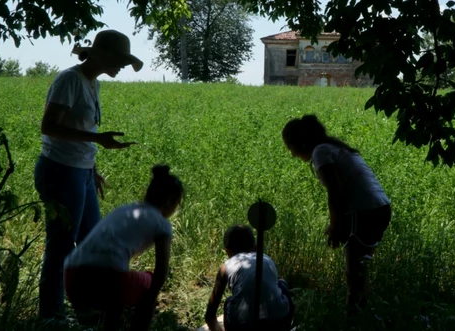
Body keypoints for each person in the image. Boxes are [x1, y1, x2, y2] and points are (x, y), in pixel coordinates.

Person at [34, 29, 142, 319]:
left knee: (92, 240)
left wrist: (92, 170)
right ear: (103, 57)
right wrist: (98, 141)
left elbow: (83, 128)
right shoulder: (69, 79)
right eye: (119, 60)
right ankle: (51, 315)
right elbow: (49, 126)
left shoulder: (92, 83)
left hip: (80, 172)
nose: (121, 66)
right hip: (60, 170)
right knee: (60, 244)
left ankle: (86, 307)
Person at [282, 115, 391, 314]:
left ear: (301, 143)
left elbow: (335, 190)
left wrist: (335, 226)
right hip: (379, 208)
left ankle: (352, 316)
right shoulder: (334, 148)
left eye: (291, 147)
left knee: (353, 270)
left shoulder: (321, 151)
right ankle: (361, 313)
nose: (292, 154)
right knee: (360, 268)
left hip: (364, 210)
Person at [63, 165, 184, 331]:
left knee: (118, 289)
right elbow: (161, 273)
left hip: (72, 277)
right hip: (108, 281)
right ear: (170, 202)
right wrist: (148, 303)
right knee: (148, 282)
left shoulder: (126, 210)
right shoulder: (162, 225)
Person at [205, 225, 294, 331]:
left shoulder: (225, 267)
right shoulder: (267, 259)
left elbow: (210, 315)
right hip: (277, 321)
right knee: (282, 284)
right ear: (255, 247)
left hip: (242, 325)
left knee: (229, 302)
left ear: (227, 251)